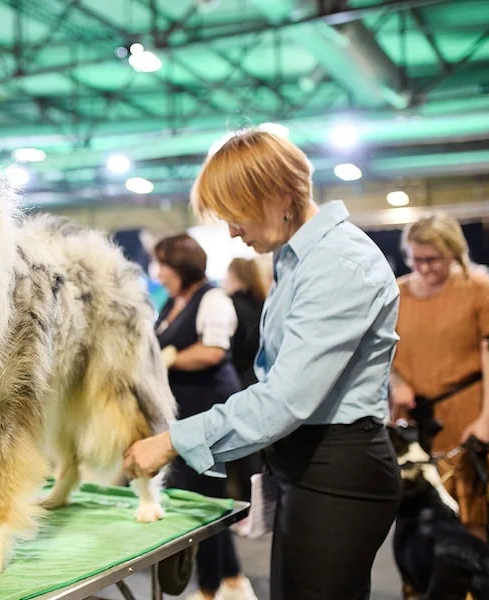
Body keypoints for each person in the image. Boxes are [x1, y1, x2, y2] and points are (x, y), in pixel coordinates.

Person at [124, 129, 401, 600]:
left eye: (236, 215)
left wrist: (174, 440)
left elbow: (284, 399)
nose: (233, 230)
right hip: (304, 467)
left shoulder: (337, 262)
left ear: (277, 196)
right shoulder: (298, 260)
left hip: (337, 475)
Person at [390, 213, 489, 537]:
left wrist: (486, 419)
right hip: (412, 421)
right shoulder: (396, 294)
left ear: (454, 252)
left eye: (434, 259)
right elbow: (380, 351)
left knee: (471, 519)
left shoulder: (482, 290)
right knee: (415, 525)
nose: (424, 268)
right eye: (417, 259)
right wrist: (397, 383)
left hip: (467, 414)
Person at [153, 234, 256, 600]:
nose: (158, 273)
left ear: (182, 265)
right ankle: (232, 580)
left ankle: (209, 588)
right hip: (182, 413)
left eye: (163, 265)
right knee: (195, 499)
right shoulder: (172, 302)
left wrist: (169, 359)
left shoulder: (213, 299)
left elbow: (213, 351)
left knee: (204, 503)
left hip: (210, 411)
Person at [222, 257, 267, 509]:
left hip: (239, 383)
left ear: (234, 276)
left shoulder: (230, 304)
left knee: (241, 453)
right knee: (257, 451)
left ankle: (246, 507)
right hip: (260, 381)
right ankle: (258, 506)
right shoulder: (263, 302)